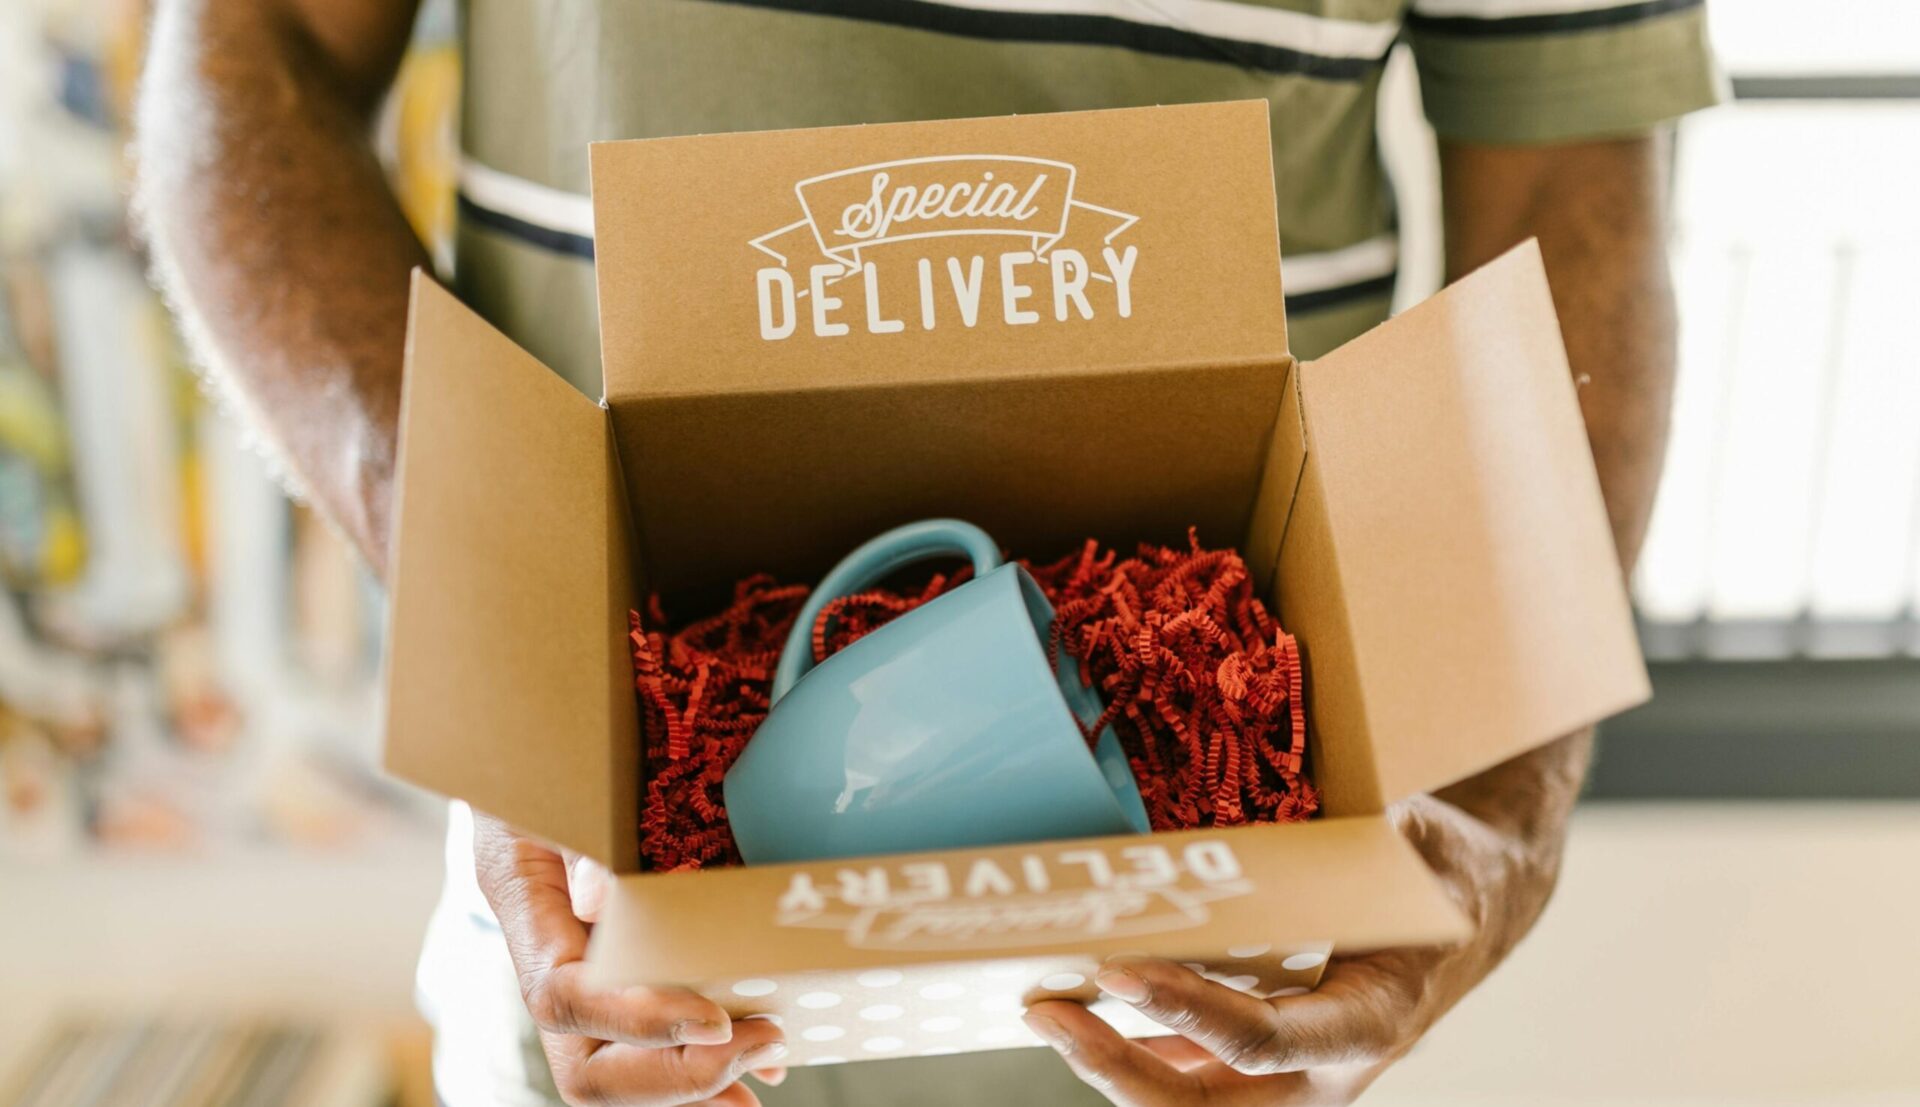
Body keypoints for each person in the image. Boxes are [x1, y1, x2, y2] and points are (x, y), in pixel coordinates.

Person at [134, 0, 1721, 1103]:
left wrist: (1497, 815)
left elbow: (1578, 181)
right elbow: (247, 51)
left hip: (1226, 983)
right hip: (614, 961)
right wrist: (501, 611)